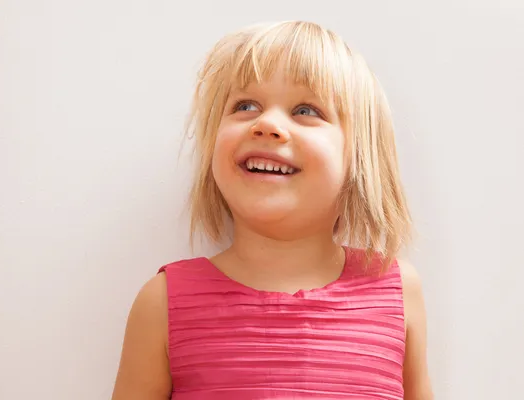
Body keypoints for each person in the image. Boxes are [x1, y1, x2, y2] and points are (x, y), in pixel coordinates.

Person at [112, 20, 433, 400]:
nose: (267, 124)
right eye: (245, 106)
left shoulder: (397, 290)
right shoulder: (162, 303)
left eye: (306, 110)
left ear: (359, 160)